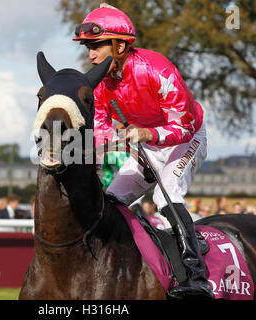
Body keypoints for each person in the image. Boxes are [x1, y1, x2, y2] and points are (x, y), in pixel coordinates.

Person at [73, 4, 211, 299]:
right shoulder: (99, 86)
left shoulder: (157, 68)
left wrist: (148, 133)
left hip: (185, 138)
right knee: (111, 200)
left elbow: (184, 125)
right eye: (88, 47)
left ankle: (195, 275)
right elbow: (102, 136)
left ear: (120, 45)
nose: (91, 55)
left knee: (166, 195)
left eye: (97, 46)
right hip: (145, 144)